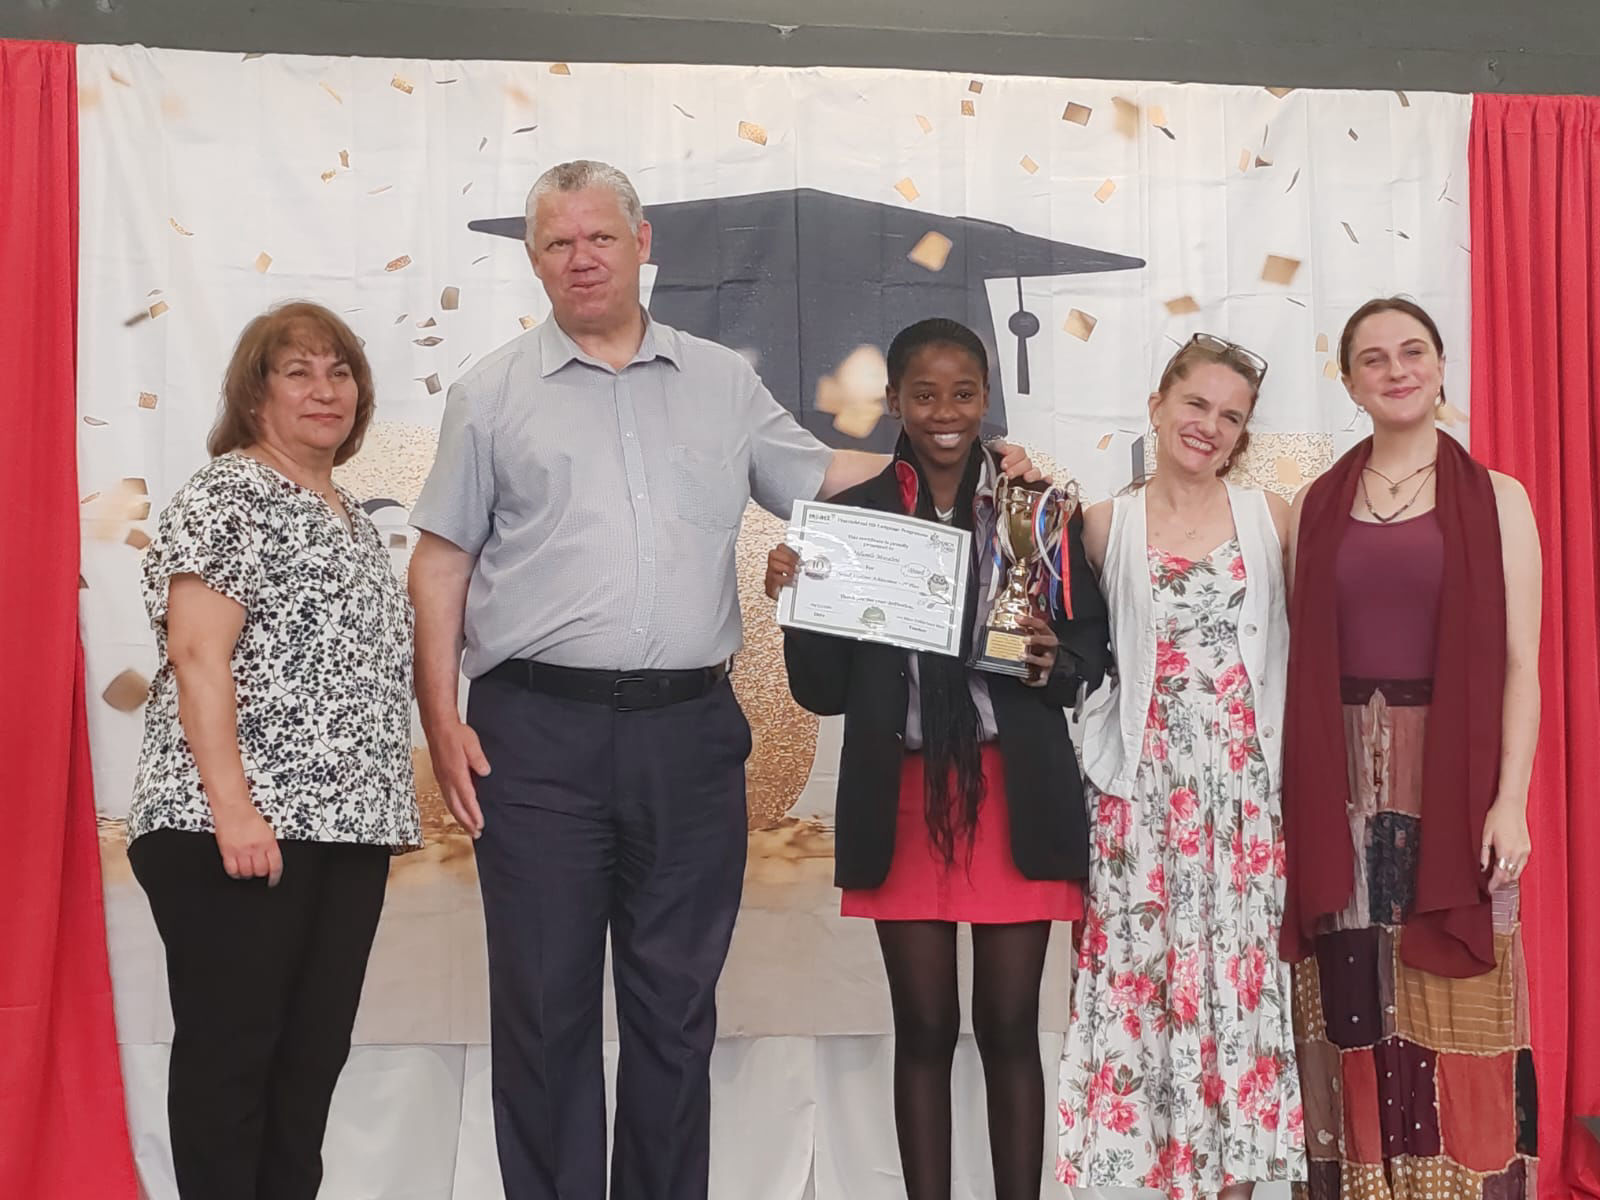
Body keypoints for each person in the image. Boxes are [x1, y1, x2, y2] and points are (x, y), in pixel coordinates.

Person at [406, 161, 1035, 1200]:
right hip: (536, 737)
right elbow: (441, 560)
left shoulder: (719, 381)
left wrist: (977, 462)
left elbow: (828, 479)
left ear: (641, 245)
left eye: (600, 237)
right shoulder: (489, 393)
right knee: (544, 1010)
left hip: (688, 735)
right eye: (558, 243)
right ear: (534, 261)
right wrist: (440, 716)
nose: (581, 259)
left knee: (674, 1013)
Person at [765, 318, 1111, 1200]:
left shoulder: (1039, 513)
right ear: (894, 402)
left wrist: (1050, 659)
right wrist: (798, 602)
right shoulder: (853, 523)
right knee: (921, 1029)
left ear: (986, 398)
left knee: (1009, 1029)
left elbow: (1087, 658)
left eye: (962, 393)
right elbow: (821, 692)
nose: (945, 412)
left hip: (1015, 792)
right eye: (924, 394)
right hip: (904, 796)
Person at [127, 301, 421, 1200]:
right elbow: (197, 656)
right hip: (236, 828)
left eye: (340, 372)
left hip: (344, 832)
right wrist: (235, 810)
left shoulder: (352, 518)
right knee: (233, 1065)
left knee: (309, 1064)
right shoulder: (231, 493)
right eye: (299, 372)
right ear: (255, 396)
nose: (325, 389)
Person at [1281, 298, 1541, 1200]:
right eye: (1374, 358)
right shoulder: (1316, 504)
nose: (1396, 370)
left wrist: (1511, 800)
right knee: (1350, 994)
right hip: (1338, 779)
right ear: (1349, 382)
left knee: (1461, 996)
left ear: (1439, 365)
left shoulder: (1499, 498)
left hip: (1453, 776)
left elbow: (1522, 664)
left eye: (1413, 351)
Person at [1055, 334, 1306, 1199]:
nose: (1209, 426)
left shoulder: (1273, 520)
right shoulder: (1102, 525)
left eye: (1231, 416)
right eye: (1196, 404)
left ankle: (1234, 1186)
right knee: (1146, 984)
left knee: (1237, 984)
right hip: (1140, 792)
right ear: (1158, 406)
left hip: (1242, 794)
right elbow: (1077, 653)